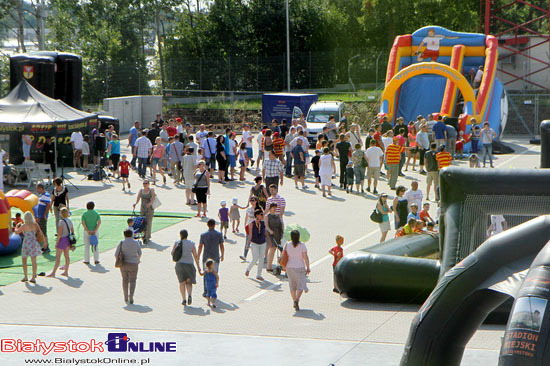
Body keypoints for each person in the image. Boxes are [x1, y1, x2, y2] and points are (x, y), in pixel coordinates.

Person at [172, 229, 201, 306]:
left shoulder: (177, 243)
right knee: (189, 282)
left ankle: (183, 299)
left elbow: (172, 253)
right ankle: (190, 295)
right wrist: (198, 267)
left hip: (179, 265)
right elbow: (195, 256)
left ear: (180, 235)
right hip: (189, 265)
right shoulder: (191, 244)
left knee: (182, 283)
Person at [283, 230, 310, 311]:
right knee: (301, 284)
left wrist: (284, 266)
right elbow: (305, 257)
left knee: (292, 285)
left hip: (289, 267)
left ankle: (294, 300)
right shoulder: (302, 245)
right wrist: (308, 267)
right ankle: (297, 300)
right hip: (300, 266)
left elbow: (283, 255)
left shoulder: (287, 244)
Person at [198, 219, 224, 298]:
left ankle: (206, 291)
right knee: (215, 274)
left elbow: (200, 246)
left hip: (206, 258)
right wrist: (222, 255)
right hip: (215, 257)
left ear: (207, 225)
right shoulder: (219, 234)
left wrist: (198, 255)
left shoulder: (203, 235)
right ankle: (213, 291)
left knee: (206, 274)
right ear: (214, 225)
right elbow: (221, 246)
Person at [15, 211, 44, 283]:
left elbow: (16, 232)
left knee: (24, 260)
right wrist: (44, 242)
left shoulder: (24, 225)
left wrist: (16, 227)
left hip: (26, 243)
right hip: (34, 242)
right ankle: (33, 277)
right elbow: (40, 232)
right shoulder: (35, 224)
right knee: (34, 261)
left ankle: (25, 276)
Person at [115, 229, 142, 304]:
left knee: (124, 280)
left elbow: (116, 254)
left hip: (123, 264)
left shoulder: (121, 243)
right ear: (132, 234)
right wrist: (138, 260)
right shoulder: (136, 243)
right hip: (133, 263)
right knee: (133, 280)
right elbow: (139, 253)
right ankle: (131, 295)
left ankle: (125, 297)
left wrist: (119, 260)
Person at [47, 207, 74, 278]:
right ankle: (66, 271)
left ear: (62, 214)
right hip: (68, 239)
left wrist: (56, 243)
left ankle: (53, 273)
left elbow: (59, 233)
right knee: (66, 256)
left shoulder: (61, 222)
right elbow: (72, 230)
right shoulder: (70, 221)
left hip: (62, 240)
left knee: (58, 257)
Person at [245, 211, 267, 281]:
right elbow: (250, 234)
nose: (262, 216)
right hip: (254, 243)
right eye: (261, 215)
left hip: (263, 243)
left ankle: (259, 274)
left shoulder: (263, 223)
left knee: (261, 259)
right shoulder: (252, 224)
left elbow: (265, 233)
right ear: (257, 215)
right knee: (255, 258)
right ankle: (248, 269)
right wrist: (247, 244)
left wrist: (269, 241)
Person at [133, 180, 156, 244]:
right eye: (144, 183)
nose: (144, 184)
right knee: (142, 222)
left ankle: (147, 237)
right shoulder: (141, 190)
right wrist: (135, 203)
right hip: (142, 208)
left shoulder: (151, 190)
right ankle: (143, 235)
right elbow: (138, 198)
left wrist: (149, 204)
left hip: (149, 208)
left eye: (146, 183)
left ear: (148, 184)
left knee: (148, 222)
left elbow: (153, 198)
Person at [241, 197, 261, 262]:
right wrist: (245, 224)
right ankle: (244, 255)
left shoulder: (259, 209)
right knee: (247, 241)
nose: (251, 202)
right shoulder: (249, 209)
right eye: (250, 200)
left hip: (256, 227)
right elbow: (246, 217)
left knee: (256, 243)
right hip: (249, 226)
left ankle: (256, 257)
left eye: (253, 200)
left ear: (256, 201)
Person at [265, 202, 283, 272]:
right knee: (272, 249)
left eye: (276, 207)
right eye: (273, 207)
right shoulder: (267, 216)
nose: (275, 209)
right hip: (271, 235)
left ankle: (280, 265)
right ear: (270, 208)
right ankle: (269, 266)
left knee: (281, 249)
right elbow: (266, 226)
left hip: (278, 234)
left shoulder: (278, 215)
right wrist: (270, 231)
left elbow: (281, 224)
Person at [35, 183, 51, 253]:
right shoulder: (42, 195)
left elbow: (48, 205)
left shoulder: (45, 195)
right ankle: (45, 245)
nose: (37, 190)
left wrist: (44, 214)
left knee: (43, 231)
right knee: (42, 231)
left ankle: (46, 246)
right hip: (40, 216)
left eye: (37, 188)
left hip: (42, 217)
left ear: (40, 188)